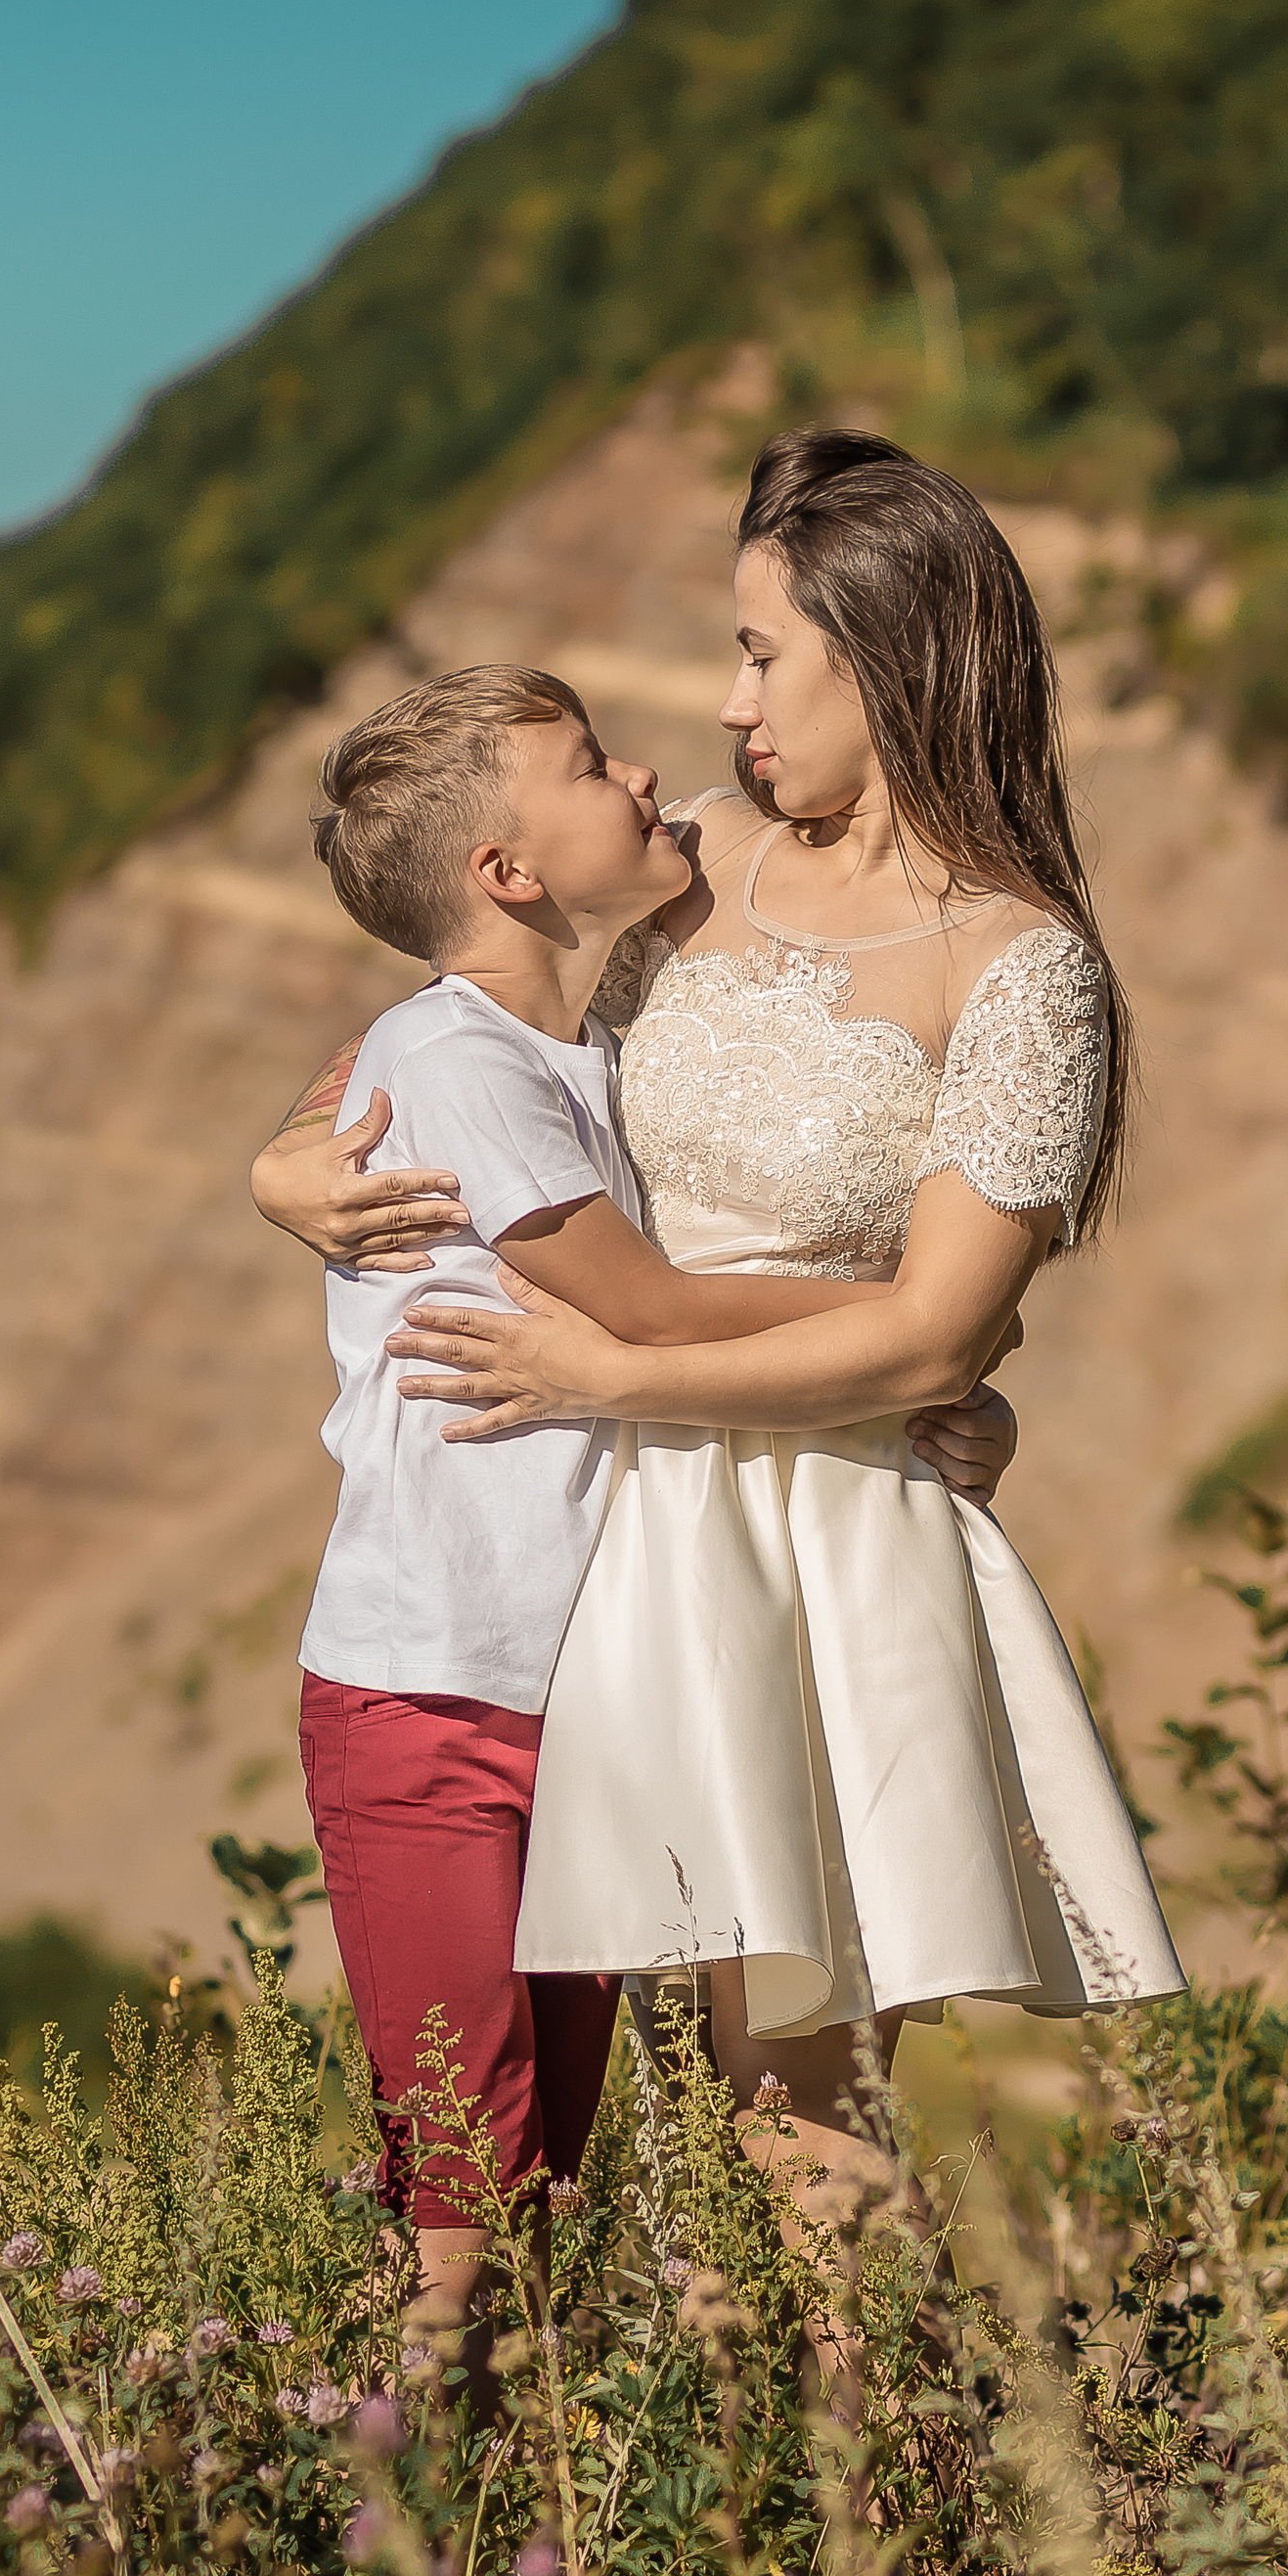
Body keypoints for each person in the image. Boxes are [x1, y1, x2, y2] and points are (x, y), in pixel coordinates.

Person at [261, 429, 1183, 2201]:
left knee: (796, 2115)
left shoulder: (1022, 964)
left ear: (886, 650)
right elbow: (452, 1035)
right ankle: (722, 2480)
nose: (729, 699)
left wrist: (637, 1364)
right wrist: (281, 1173)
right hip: (614, 1536)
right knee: (643, 2155)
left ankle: (879, 2484)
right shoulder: (689, 863)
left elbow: (934, 1336)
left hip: (815, 1536)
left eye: (764, 651)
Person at [276, 659, 1020, 2385]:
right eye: (591, 763)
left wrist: (903, 1363)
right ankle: (393, 2574)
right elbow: (653, 1314)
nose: (645, 770)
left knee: (551, 2179)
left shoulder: (589, 1053)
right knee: (466, 2198)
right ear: (509, 873)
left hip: (586, 1692)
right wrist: (915, 1336)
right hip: (428, 1693)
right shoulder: (439, 1059)